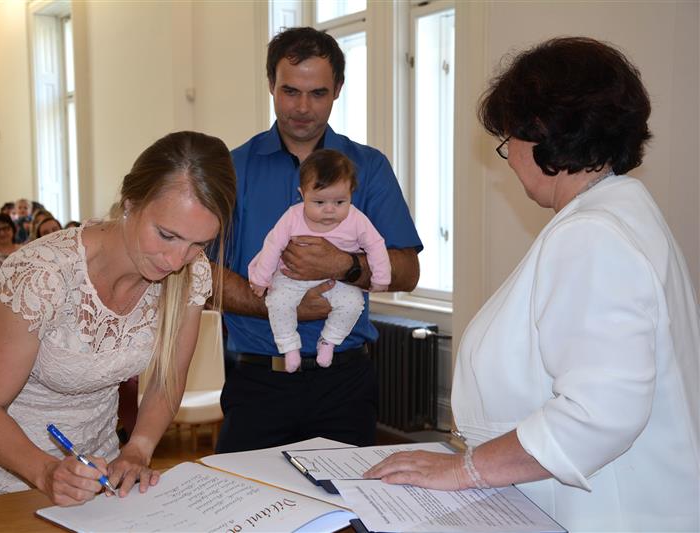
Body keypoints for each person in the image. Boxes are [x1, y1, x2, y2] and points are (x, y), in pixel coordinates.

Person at [364, 37, 700, 532]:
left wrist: (465, 469)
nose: (510, 158)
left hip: (608, 515)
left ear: (541, 132)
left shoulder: (593, 234)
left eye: (508, 141)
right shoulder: (620, 211)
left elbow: (598, 414)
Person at [0, 131, 236, 506]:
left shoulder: (192, 276)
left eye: (199, 244)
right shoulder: (44, 274)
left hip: (96, 461)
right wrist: (46, 472)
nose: (176, 260)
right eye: (166, 235)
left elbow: (167, 378)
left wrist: (138, 449)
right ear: (129, 203)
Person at [215, 27, 421, 453]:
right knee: (248, 512)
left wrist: (343, 266)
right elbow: (199, 277)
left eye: (318, 93)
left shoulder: (369, 166)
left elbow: (407, 270)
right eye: (290, 91)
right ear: (270, 85)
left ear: (338, 90)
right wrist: (279, 302)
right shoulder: (231, 170)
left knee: (347, 511)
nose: (303, 108)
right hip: (257, 380)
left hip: (344, 382)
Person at [249, 149, 390, 372]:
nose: (329, 210)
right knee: (277, 302)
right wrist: (261, 279)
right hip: (291, 277)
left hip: (337, 281)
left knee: (354, 304)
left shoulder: (356, 219)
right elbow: (272, 244)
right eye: (319, 202)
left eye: (339, 201)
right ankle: (289, 346)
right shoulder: (292, 216)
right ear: (302, 194)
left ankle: (329, 341)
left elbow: (376, 244)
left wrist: (381, 278)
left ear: (351, 194)